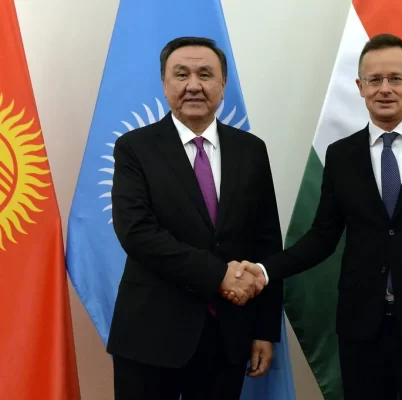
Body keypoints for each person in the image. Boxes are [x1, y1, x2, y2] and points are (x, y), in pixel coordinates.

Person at [231, 33, 402, 399]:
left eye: (395, 78)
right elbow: (322, 237)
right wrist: (265, 270)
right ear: (360, 87)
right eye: (374, 79)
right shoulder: (341, 155)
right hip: (361, 330)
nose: (385, 88)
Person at [107, 36, 282, 400]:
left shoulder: (251, 150)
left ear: (223, 84)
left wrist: (265, 330)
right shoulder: (134, 148)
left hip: (229, 335)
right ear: (164, 83)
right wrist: (218, 275)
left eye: (205, 74)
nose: (193, 85)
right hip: (151, 334)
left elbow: (266, 241)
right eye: (181, 74)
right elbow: (138, 233)